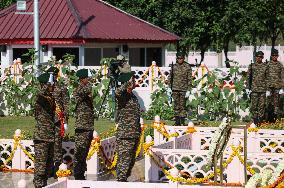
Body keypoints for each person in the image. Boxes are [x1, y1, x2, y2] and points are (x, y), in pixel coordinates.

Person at [115, 65, 141, 182]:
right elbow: (117, 92)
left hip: (134, 133)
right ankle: (121, 181)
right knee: (124, 160)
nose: (134, 82)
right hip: (125, 134)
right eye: (132, 80)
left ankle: (123, 179)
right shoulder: (123, 95)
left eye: (133, 80)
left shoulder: (133, 96)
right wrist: (126, 83)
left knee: (130, 161)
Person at [33, 73, 56, 188]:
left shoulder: (49, 96)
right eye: (51, 83)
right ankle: (38, 186)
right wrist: (48, 82)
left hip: (50, 135)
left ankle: (44, 186)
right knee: (40, 169)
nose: (53, 85)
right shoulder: (39, 96)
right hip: (41, 137)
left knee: (47, 168)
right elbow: (40, 92)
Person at [46, 66, 69, 178]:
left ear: (56, 75)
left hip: (57, 120)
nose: (51, 77)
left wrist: (66, 121)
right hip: (46, 121)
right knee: (48, 145)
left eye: (52, 75)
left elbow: (66, 105)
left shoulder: (61, 88)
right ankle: (48, 169)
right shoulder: (45, 87)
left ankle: (57, 169)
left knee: (57, 145)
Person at [73, 68, 94, 180]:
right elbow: (85, 91)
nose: (89, 79)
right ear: (82, 79)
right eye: (87, 78)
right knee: (80, 152)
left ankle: (81, 173)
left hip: (88, 125)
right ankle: (77, 174)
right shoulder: (79, 89)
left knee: (84, 152)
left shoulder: (85, 88)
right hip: (82, 126)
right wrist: (89, 84)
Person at [167, 52, 192, 126]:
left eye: (181, 58)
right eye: (178, 58)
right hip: (175, 88)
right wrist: (169, 87)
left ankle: (182, 121)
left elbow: (189, 78)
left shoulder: (187, 66)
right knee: (176, 105)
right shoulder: (174, 66)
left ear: (183, 58)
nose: (179, 60)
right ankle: (177, 121)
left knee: (182, 106)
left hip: (184, 89)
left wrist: (189, 89)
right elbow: (170, 77)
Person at [246, 51, 268, 126]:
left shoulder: (265, 66)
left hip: (263, 90)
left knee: (262, 106)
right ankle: (255, 121)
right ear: (255, 57)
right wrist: (247, 88)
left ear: (263, 57)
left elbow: (267, 78)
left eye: (261, 57)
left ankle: (260, 121)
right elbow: (248, 77)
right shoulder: (252, 66)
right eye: (258, 56)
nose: (259, 58)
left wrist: (268, 89)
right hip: (254, 89)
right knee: (254, 106)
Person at [266, 49, 284, 122]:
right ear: (271, 56)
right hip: (269, 87)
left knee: (276, 103)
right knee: (269, 103)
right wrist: (266, 88)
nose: (274, 57)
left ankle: (275, 118)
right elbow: (265, 76)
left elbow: (282, 77)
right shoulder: (267, 64)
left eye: (276, 55)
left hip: (277, 87)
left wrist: (282, 88)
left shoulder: (280, 65)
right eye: (273, 55)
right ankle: (268, 119)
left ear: (278, 56)